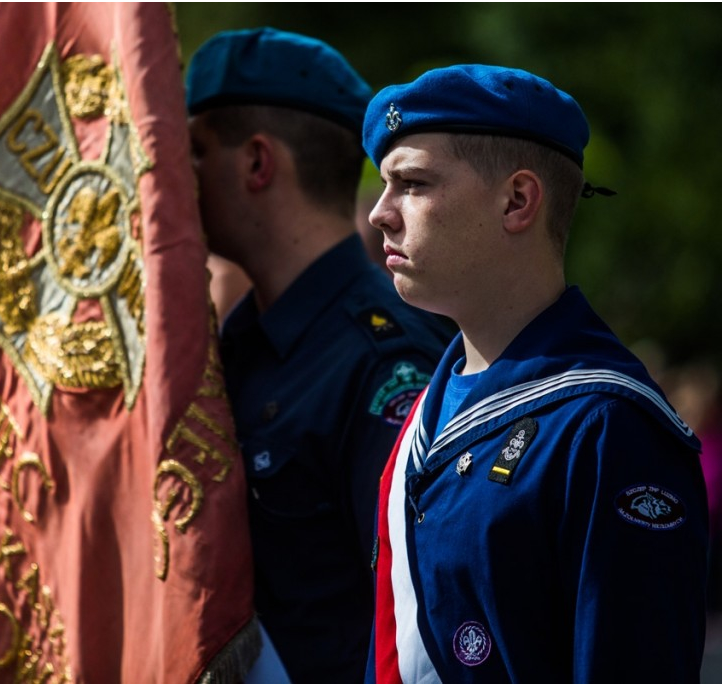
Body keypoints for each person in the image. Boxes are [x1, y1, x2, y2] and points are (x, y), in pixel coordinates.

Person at [362, 64, 708, 682]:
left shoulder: (605, 425)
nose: (380, 215)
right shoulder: (429, 410)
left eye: (412, 183)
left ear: (518, 200)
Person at [185, 28, 453, 682]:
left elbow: (421, 620)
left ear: (257, 163)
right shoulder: (238, 341)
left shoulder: (385, 361)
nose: (173, 176)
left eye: (194, 150)